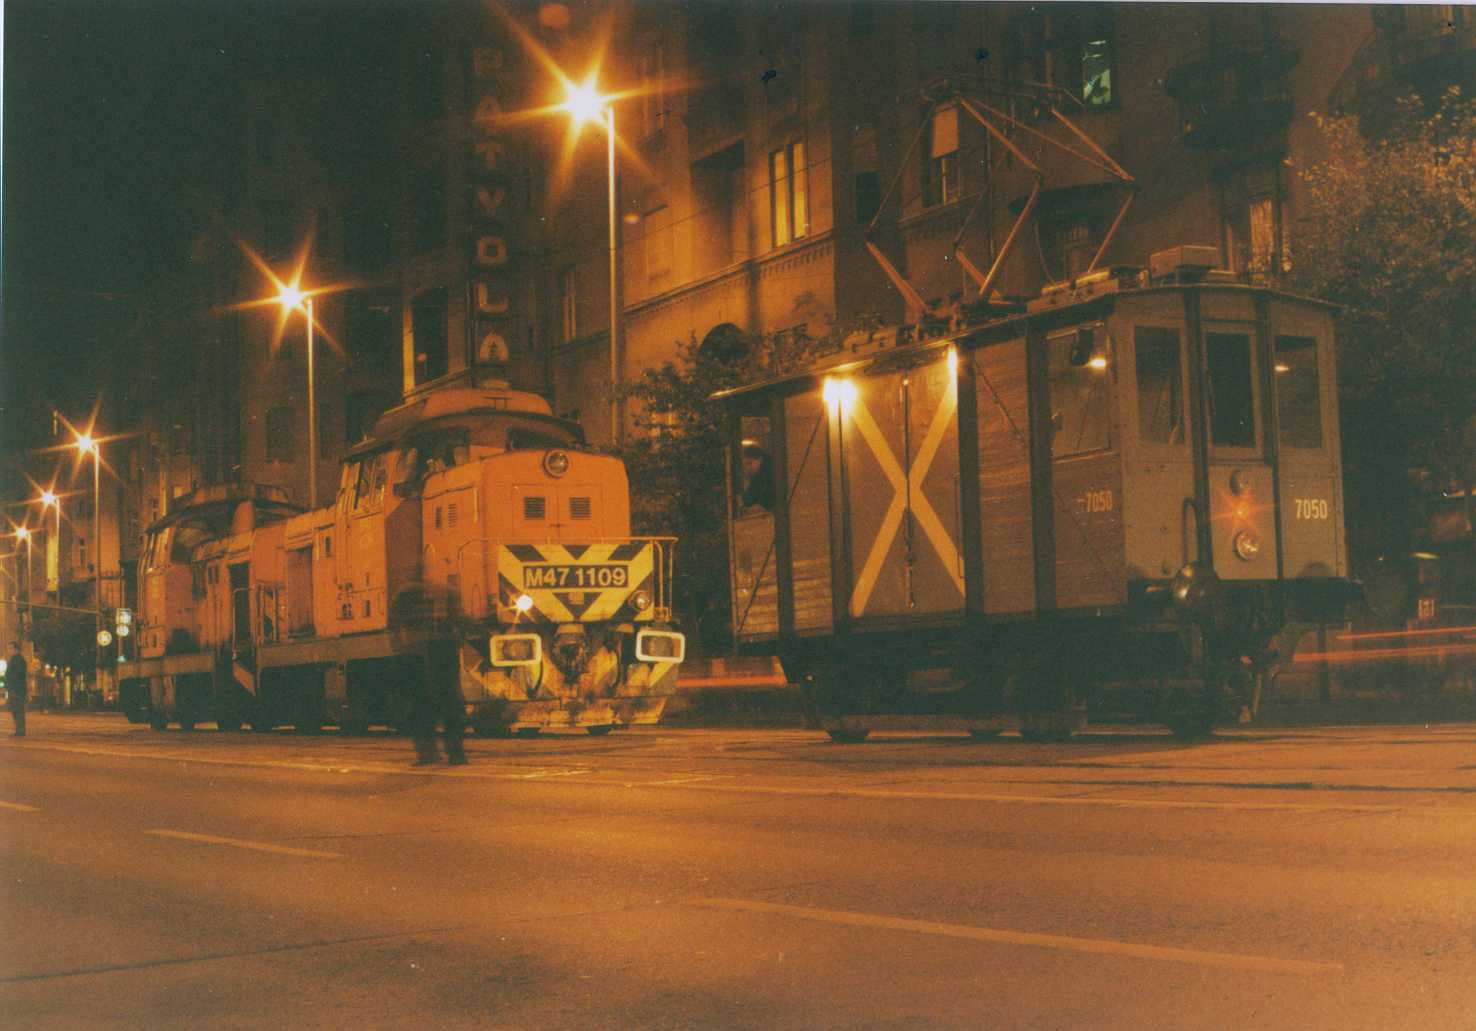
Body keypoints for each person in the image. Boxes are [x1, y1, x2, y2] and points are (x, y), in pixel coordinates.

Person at [411, 640, 467, 766]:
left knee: (423, 707)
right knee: (451, 707)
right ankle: (455, 753)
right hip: (443, 647)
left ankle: (428, 753)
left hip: (424, 649)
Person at [6, 641, 29, 737]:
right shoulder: (15, 659)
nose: (8, 650)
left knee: (18, 710)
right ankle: (19, 730)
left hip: (17, 689)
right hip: (15, 689)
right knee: (15, 710)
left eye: (10, 648)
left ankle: (20, 731)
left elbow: (18, 676)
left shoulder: (18, 660)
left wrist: (13, 688)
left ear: (15, 649)